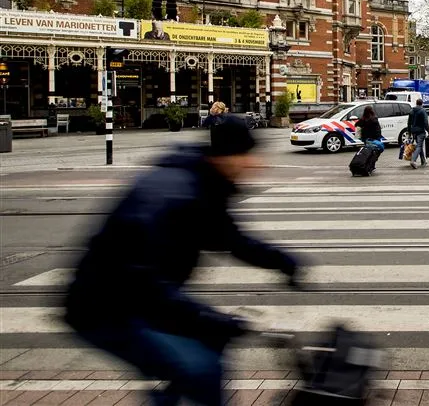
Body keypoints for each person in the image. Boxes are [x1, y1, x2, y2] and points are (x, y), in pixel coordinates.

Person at [64, 115, 302, 406]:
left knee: (203, 352)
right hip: (105, 307)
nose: (257, 165)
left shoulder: (202, 184)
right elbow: (141, 281)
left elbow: (230, 239)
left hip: (137, 299)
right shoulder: (178, 193)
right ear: (228, 156)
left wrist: (282, 261)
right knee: (201, 368)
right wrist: (203, 316)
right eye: (248, 156)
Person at [355, 106, 385, 170]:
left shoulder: (363, 119)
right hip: (376, 138)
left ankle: (368, 165)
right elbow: (378, 129)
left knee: (368, 152)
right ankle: (373, 164)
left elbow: (356, 124)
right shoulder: (375, 118)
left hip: (367, 139)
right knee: (376, 152)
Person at [407, 98, 429, 168]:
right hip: (420, 131)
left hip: (413, 131)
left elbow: (408, 123)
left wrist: (409, 132)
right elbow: (425, 122)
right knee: (419, 146)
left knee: (419, 145)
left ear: (416, 103)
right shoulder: (423, 111)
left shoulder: (411, 111)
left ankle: (423, 161)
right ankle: (413, 160)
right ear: (422, 103)